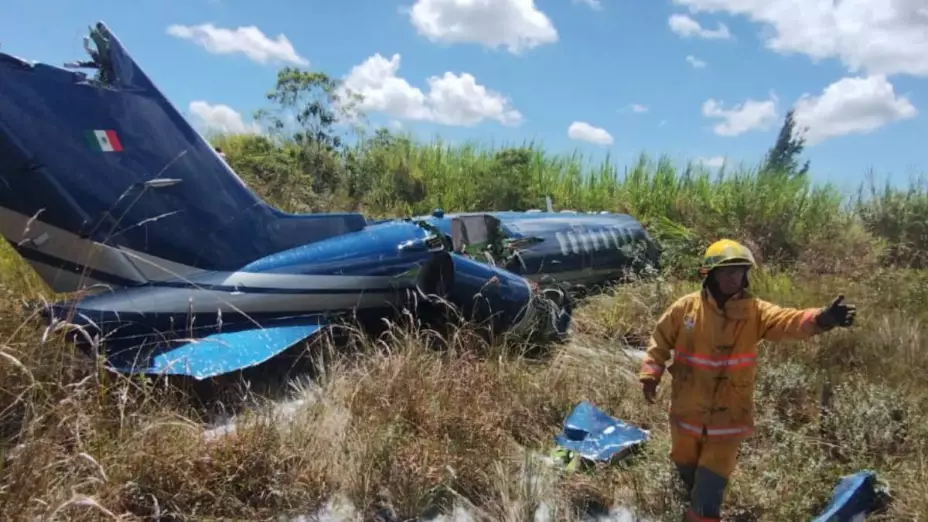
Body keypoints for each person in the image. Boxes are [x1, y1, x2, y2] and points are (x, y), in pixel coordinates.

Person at [638, 239, 856, 521]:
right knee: (686, 468)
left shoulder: (755, 311)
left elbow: (788, 321)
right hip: (686, 413)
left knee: (709, 489)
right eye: (728, 271)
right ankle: (692, 498)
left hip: (728, 418)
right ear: (710, 273)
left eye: (740, 272)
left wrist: (822, 319)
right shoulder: (685, 308)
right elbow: (659, 340)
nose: (735, 278)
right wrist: (650, 375)